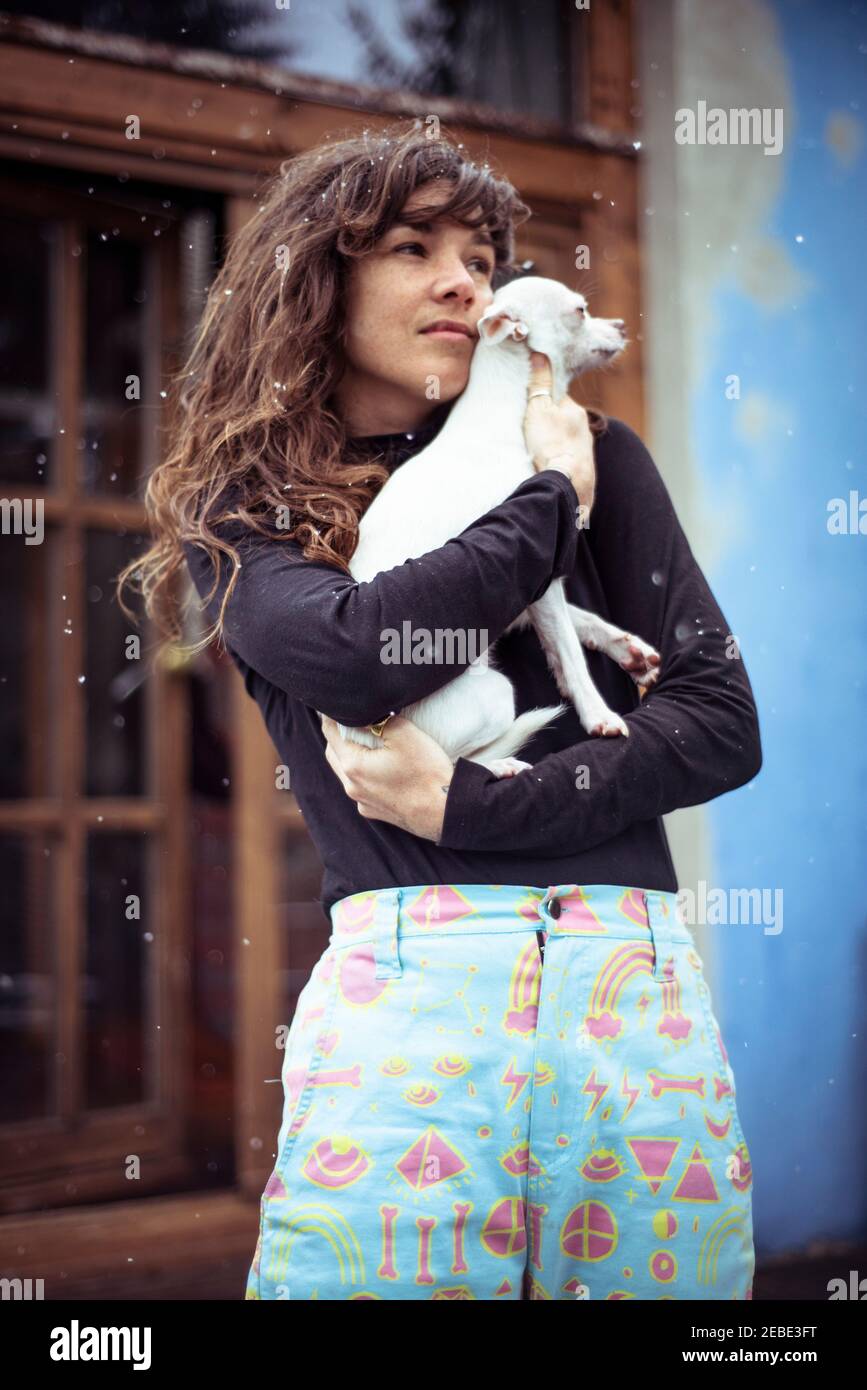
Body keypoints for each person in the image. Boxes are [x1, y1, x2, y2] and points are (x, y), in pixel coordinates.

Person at [118, 122, 761, 1301]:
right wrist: (546, 503)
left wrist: (473, 803)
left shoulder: (604, 451)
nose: (466, 279)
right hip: (416, 1000)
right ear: (318, 281)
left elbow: (721, 722)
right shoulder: (249, 507)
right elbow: (364, 661)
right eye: (415, 248)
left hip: (628, 984)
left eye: (481, 252)